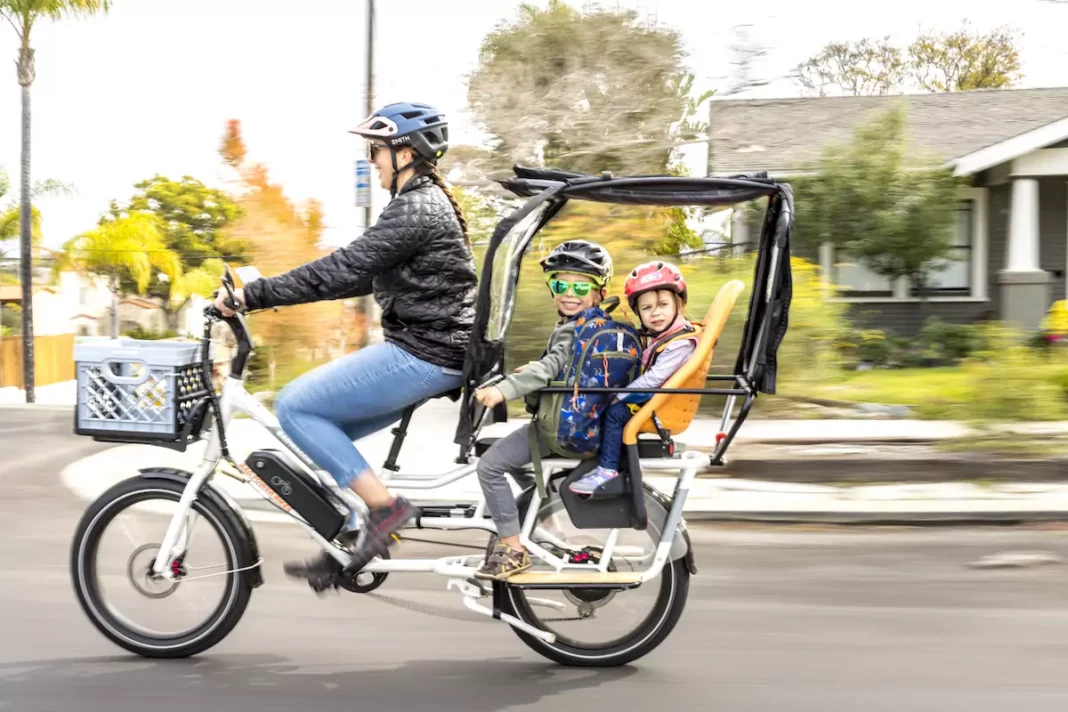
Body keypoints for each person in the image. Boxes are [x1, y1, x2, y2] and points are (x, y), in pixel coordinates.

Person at [213, 101, 478, 588]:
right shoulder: (418, 204)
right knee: (318, 434)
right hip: (433, 349)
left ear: (405, 152)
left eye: (376, 151)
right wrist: (264, 296)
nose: (372, 161)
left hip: (427, 352)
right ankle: (352, 532)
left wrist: (252, 295)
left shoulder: (417, 208)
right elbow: (351, 277)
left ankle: (384, 510)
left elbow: (341, 268)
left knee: (295, 407)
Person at [471, 240, 614, 580]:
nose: (569, 293)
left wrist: (502, 390)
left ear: (599, 292)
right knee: (520, 468)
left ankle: (513, 548)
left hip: (560, 431)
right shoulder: (593, 325)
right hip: (586, 426)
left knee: (490, 467)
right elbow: (560, 365)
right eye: (560, 284)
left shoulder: (573, 329)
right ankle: (544, 526)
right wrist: (528, 371)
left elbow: (549, 368)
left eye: (581, 286)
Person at [568, 261, 699, 495]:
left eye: (663, 305)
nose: (655, 312)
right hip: (656, 397)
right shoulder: (666, 336)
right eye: (647, 308)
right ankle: (602, 457)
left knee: (614, 413)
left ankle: (607, 470)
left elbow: (654, 380)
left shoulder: (681, 342)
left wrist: (617, 396)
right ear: (638, 312)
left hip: (661, 404)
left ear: (679, 304)